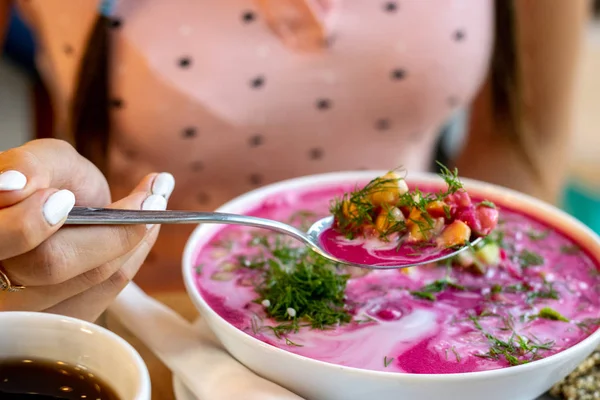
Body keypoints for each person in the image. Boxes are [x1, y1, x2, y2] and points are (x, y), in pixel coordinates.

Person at [0, 0, 590, 322]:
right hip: (137, 325)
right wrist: (21, 244)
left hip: (418, 306)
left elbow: (518, 153)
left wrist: (493, 328)